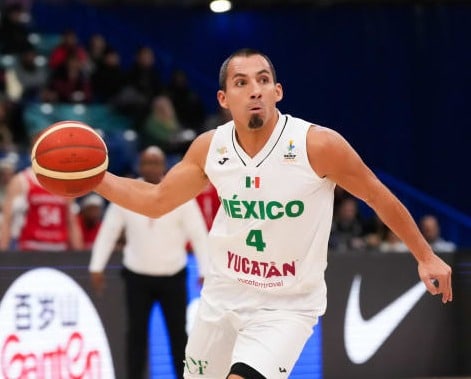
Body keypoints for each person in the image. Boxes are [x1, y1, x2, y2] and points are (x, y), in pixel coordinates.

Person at [88, 48, 452, 379]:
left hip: (286, 305)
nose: (255, 90)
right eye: (241, 83)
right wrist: (95, 178)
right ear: (224, 99)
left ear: (278, 91)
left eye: (263, 80)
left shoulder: (318, 145)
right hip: (222, 296)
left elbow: (377, 195)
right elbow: (156, 200)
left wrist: (425, 255)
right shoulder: (209, 148)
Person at [89, 146, 209, 379]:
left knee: (178, 335)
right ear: (139, 166)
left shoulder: (180, 192)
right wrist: (96, 266)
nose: (151, 167)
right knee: (136, 335)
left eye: (156, 163)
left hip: (173, 275)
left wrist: (205, 269)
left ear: (164, 166)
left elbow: (198, 234)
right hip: (137, 275)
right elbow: (109, 231)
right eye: (146, 163)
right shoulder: (126, 192)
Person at [0, 166, 83, 251]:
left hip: (59, 249)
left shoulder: (65, 183)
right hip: (31, 248)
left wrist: (79, 256)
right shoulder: (22, 180)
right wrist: (3, 254)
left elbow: (72, 221)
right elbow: (7, 219)